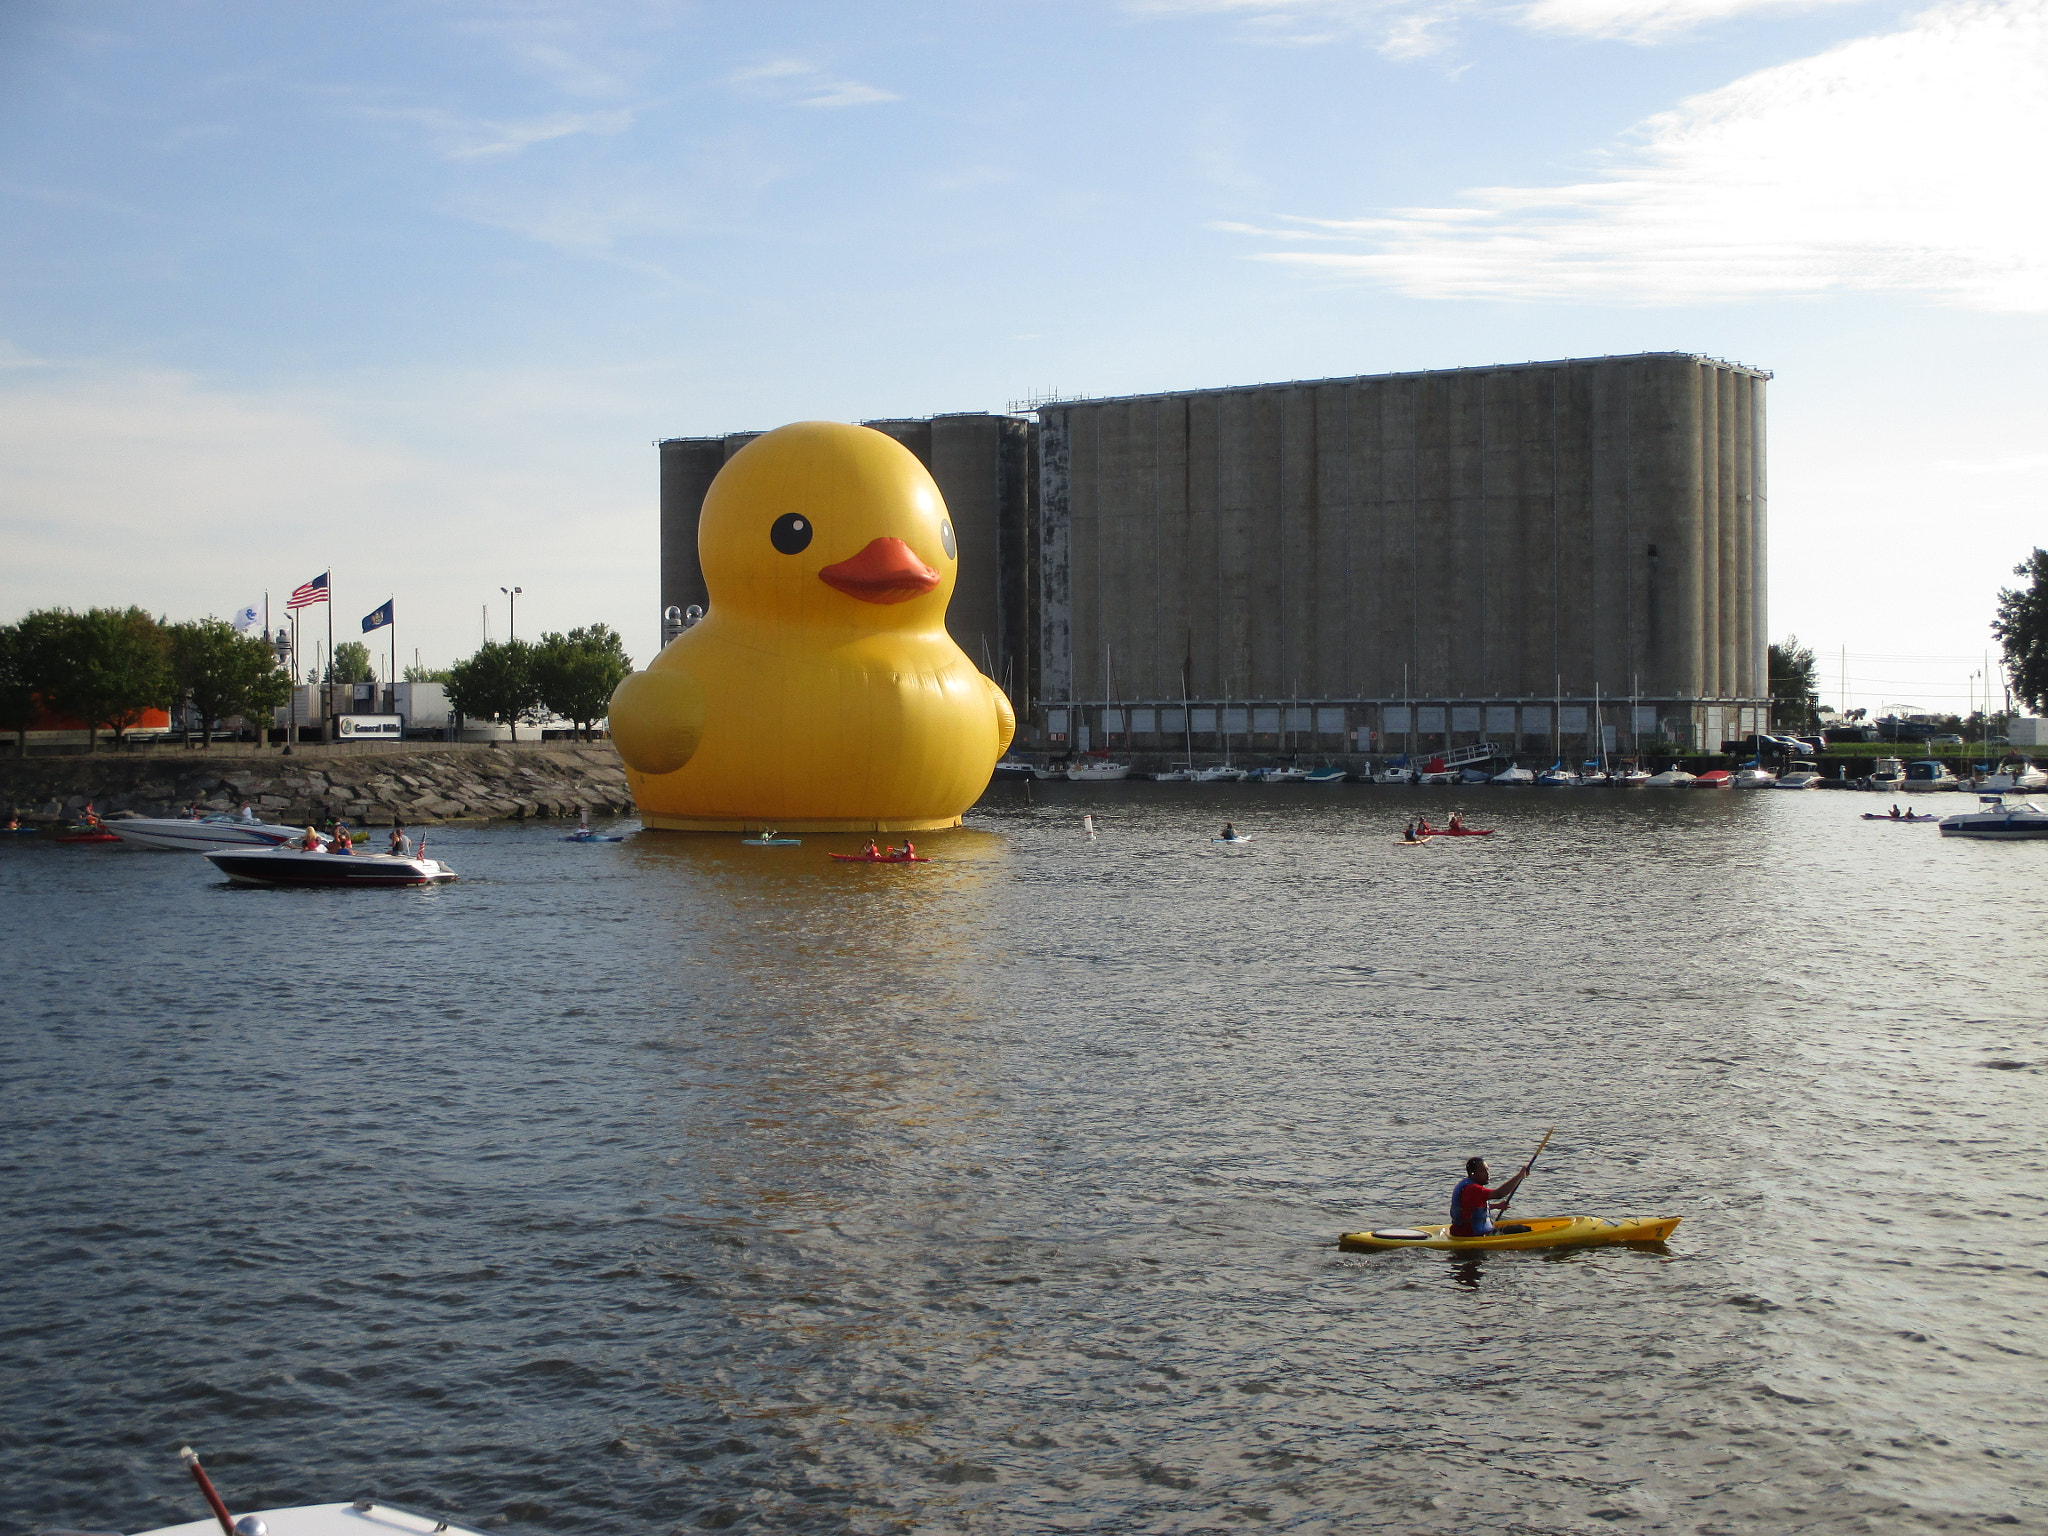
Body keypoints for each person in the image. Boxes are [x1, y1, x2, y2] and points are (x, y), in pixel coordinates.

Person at [1450, 1155, 1532, 1238]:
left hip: (1463, 1233)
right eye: (1483, 1171)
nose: (1488, 1174)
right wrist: (1519, 1176)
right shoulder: (1472, 1189)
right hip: (1474, 1235)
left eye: (1487, 1170)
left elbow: (1472, 1209)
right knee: (1523, 1230)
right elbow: (1499, 1194)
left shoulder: (1468, 1186)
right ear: (1473, 1174)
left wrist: (1497, 1206)